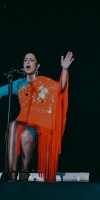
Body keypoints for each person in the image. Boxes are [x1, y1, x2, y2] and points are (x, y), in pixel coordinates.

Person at [0, 51, 74, 181]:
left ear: (37, 65)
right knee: (12, 125)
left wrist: (64, 69)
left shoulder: (44, 82)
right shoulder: (18, 83)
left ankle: (24, 173)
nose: (27, 62)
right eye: (25, 60)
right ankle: (11, 173)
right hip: (22, 122)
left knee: (26, 135)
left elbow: (61, 87)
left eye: (31, 60)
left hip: (38, 126)